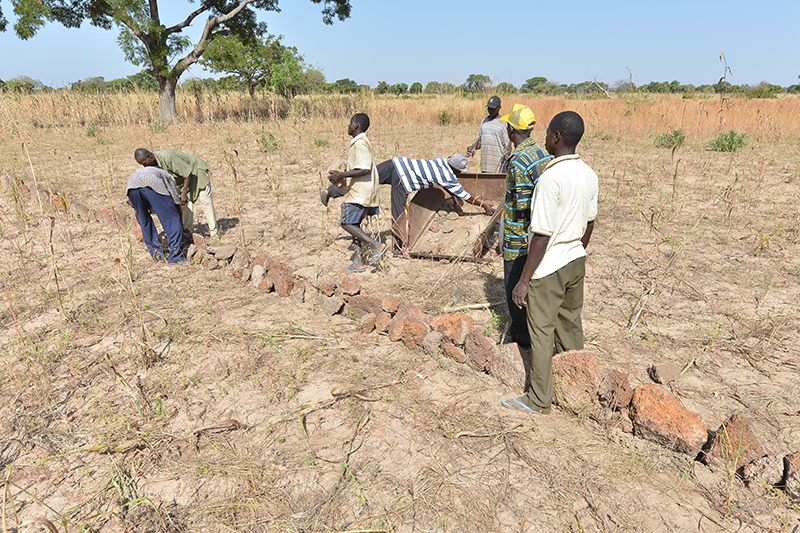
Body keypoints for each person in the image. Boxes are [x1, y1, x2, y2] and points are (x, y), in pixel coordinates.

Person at [503, 111, 598, 415]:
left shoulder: (551, 178)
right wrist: (575, 250)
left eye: (547, 133)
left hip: (549, 265)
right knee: (570, 325)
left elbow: (541, 235)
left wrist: (524, 280)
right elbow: (590, 224)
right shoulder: (588, 173)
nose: (543, 138)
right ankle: (577, 387)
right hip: (575, 260)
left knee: (541, 332)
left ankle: (539, 399)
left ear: (556, 138)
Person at [499, 104, 553, 352]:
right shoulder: (541, 153)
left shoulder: (518, 162)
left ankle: (522, 338)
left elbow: (522, 208)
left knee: (515, 287)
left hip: (519, 238)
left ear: (512, 129)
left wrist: (516, 242)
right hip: (540, 234)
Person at [326, 113, 386, 273]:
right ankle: (358, 261)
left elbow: (364, 168)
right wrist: (340, 177)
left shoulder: (360, 144)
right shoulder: (362, 143)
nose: (348, 126)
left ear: (357, 125)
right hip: (363, 191)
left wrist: (342, 175)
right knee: (355, 226)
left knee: (346, 223)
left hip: (360, 193)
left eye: (350, 123)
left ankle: (376, 245)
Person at [134, 148, 218, 239]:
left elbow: (188, 173)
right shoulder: (153, 166)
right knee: (185, 205)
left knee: (206, 202)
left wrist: (184, 192)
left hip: (197, 172)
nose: (144, 167)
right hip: (183, 181)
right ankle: (188, 232)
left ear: (149, 157)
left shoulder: (167, 157)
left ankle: (214, 233)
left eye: (144, 163)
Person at [125, 165, 185, 264]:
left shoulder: (140, 172)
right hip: (152, 184)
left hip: (131, 187)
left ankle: (158, 256)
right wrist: (180, 224)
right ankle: (176, 258)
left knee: (145, 221)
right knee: (171, 220)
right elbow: (176, 202)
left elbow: (138, 213)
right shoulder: (167, 176)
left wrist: (143, 227)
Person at [466, 95, 512, 173]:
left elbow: (508, 146)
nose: (490, 111)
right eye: (489, 108)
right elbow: (480, 141)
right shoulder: (484, 121)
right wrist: (473, 147)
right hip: (485, 166)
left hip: (498, 168)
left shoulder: (503, 123)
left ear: (499, 107)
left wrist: (506, 157)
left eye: (493, 109)